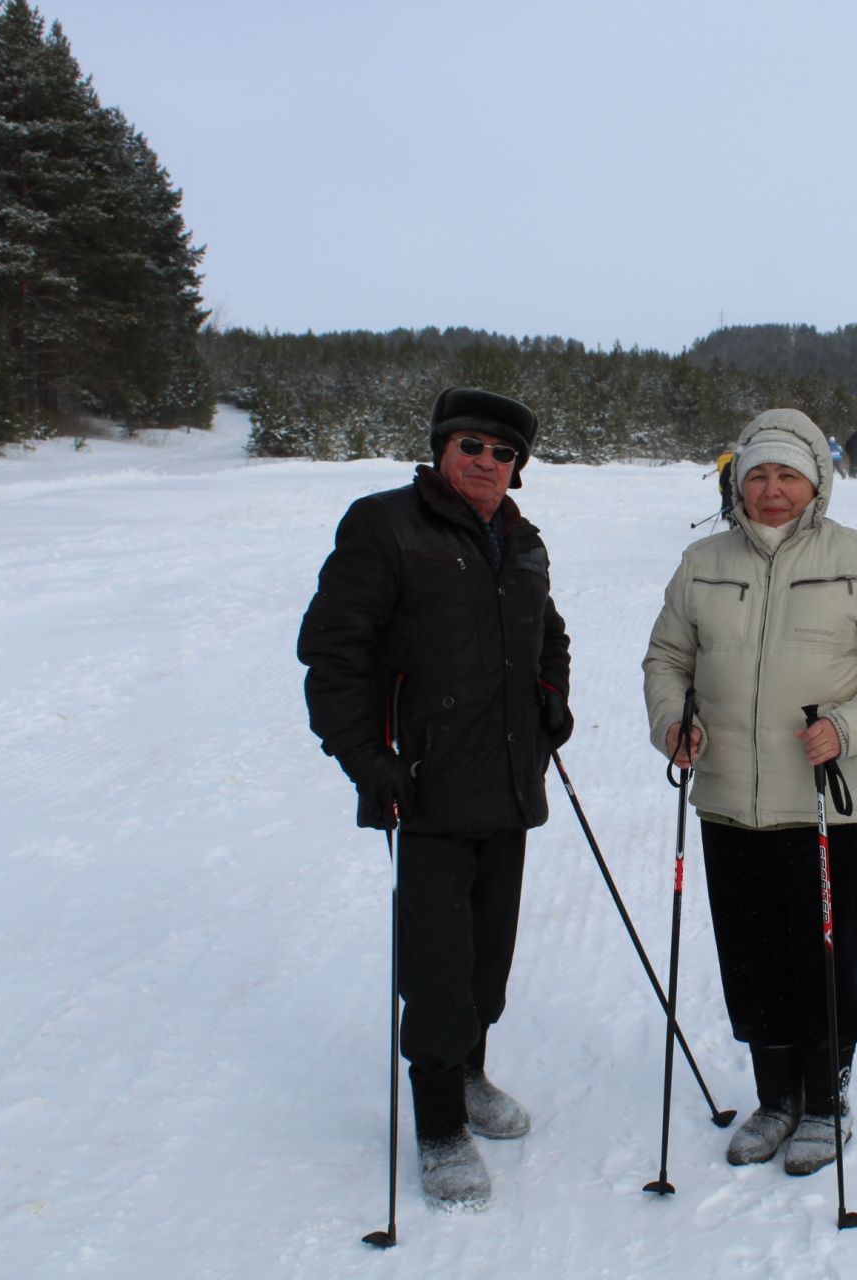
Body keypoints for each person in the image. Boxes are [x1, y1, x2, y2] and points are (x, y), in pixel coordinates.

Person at [641, 408, 857, 1177]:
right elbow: (666, 657)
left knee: (824, 958)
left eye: (787, 475)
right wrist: (673, 720)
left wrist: (850, 725)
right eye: (757, 475)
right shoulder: (701, 562)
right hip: (727, 797)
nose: (771, 490)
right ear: (736, 481)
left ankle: (826, 1100)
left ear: (817, 483)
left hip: (826, 801)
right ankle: (776, 1098)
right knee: (749, 954)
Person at [297, 387, 572, 1209]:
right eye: (471, 446)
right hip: (423, 786)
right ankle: (440, 1122)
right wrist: (364, 757)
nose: (485, 462)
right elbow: (332, 651)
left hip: (510, 780)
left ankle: (473, 1072)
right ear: (441, 448)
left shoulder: (522, 540)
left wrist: (551, 698)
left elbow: (547, 631)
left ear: (517, 469)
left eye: (502, 452)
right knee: (439, 966)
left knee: (489, 958)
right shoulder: (384, 525)